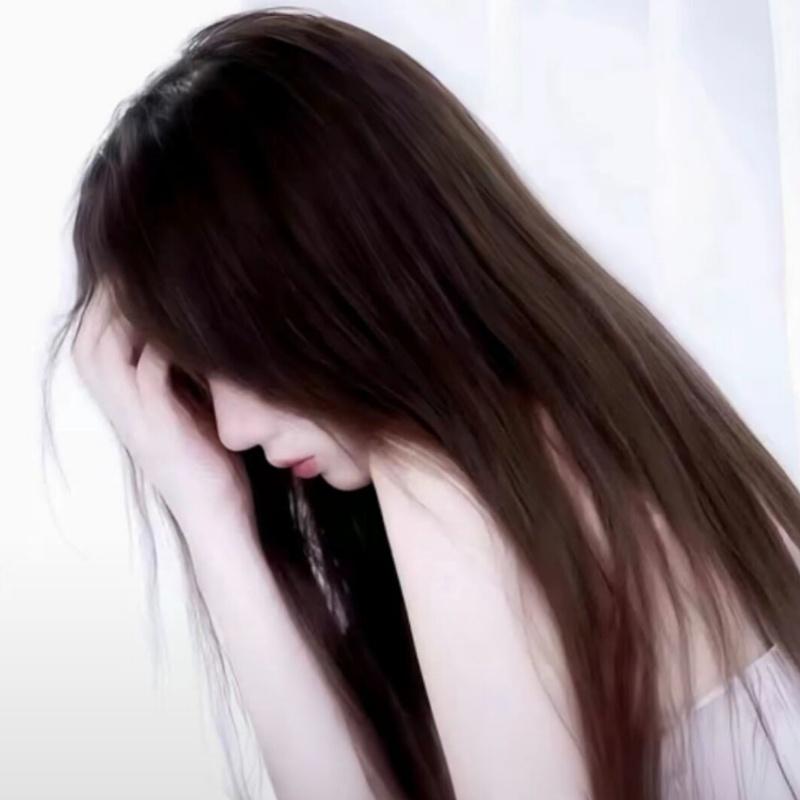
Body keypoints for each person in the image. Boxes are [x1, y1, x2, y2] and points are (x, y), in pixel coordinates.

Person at [42, 8, 800, 800]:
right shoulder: (606, 412)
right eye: (202, 379)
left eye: (239, 356)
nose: (231, 429)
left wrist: (211, 522)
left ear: (344, 273)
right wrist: (208, 507)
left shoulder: (444, 486)